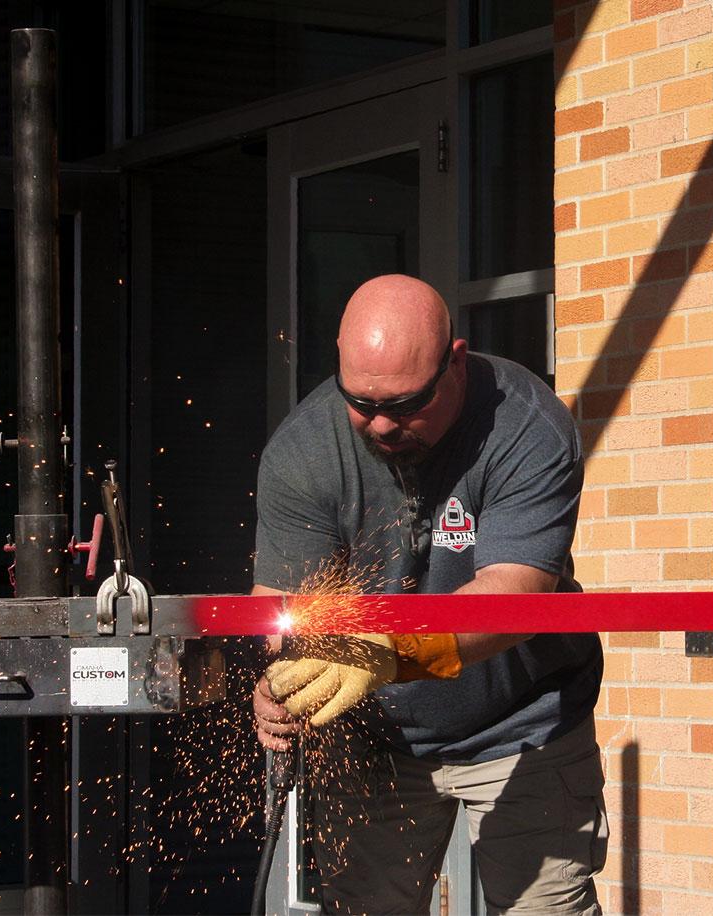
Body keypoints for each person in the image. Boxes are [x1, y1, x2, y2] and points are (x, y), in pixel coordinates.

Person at [250, 274, 606, 914]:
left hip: (522, 724)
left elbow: (515, 595)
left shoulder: (525, 425)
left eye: (407, 402)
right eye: (360, 402)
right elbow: (285, 608)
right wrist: (280, 679)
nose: (382, 423)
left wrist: (390, 651)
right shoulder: (303, 451)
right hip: (375, 740)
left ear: (456, 362)